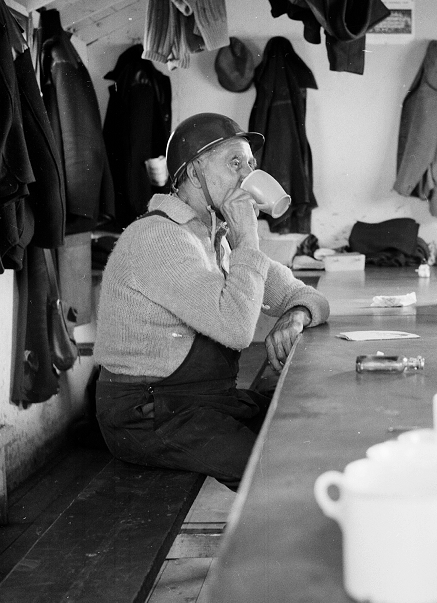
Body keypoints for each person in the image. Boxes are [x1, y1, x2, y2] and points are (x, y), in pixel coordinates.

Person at [93, 113, 330, 489]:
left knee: (309, 429)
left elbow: (305, 295)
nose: (247, 177)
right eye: (235, 163)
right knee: (277, 475)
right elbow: (235, 329)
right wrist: (248, 239)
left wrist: (296, 316)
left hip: (201, 402)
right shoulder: (158, 236)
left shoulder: (215, 237)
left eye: (251, 164)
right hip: (147, 414)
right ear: (193, 172)